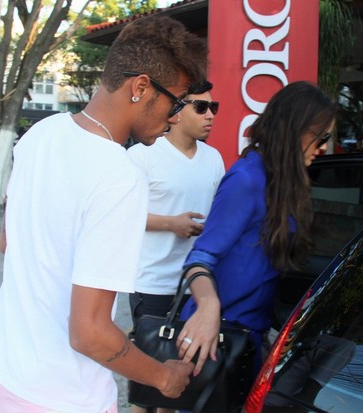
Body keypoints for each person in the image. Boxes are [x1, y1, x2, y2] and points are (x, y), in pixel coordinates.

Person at [0, 15, 208, 413]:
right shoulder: (119, 177)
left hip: (2, 374)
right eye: (177, 101)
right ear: (140, 87)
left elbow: (8, 243)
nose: (175, 116)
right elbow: (89, 334)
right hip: (61, 396)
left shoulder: (41, 134)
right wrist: (164, 377)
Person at [172, 82, 338, 387]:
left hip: (251, 339)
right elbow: (199, 260)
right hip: (218, 340)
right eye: (320, 137)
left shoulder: (284, 181)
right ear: (294, 130)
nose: (324, 147)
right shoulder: (246, 178)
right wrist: (209, 307)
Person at [127, 79, 224, 413]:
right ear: (177, 112)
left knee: (178, 383)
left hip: (195, 288)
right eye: (201, 107)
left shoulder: (214, 158)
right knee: (146, 386)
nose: (210, 115)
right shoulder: (142, 156)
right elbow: (121, 215)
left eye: (214, 108)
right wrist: (172, 223)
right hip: (152, 283)